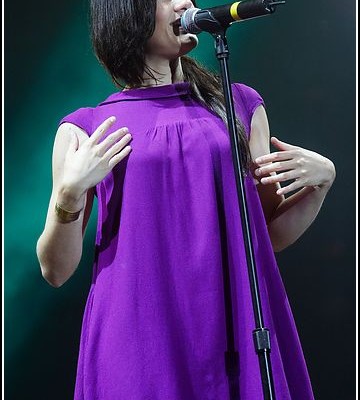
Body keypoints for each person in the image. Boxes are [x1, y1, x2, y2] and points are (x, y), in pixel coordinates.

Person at [36, 0, 336, 398]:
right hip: (138, 334)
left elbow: (265, 238)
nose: (187, 4)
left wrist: (319, 185)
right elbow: (56, 270)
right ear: (128, 15)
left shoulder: (240, 106)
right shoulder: (86, 129)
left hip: (233, 322)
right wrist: (70, 196)